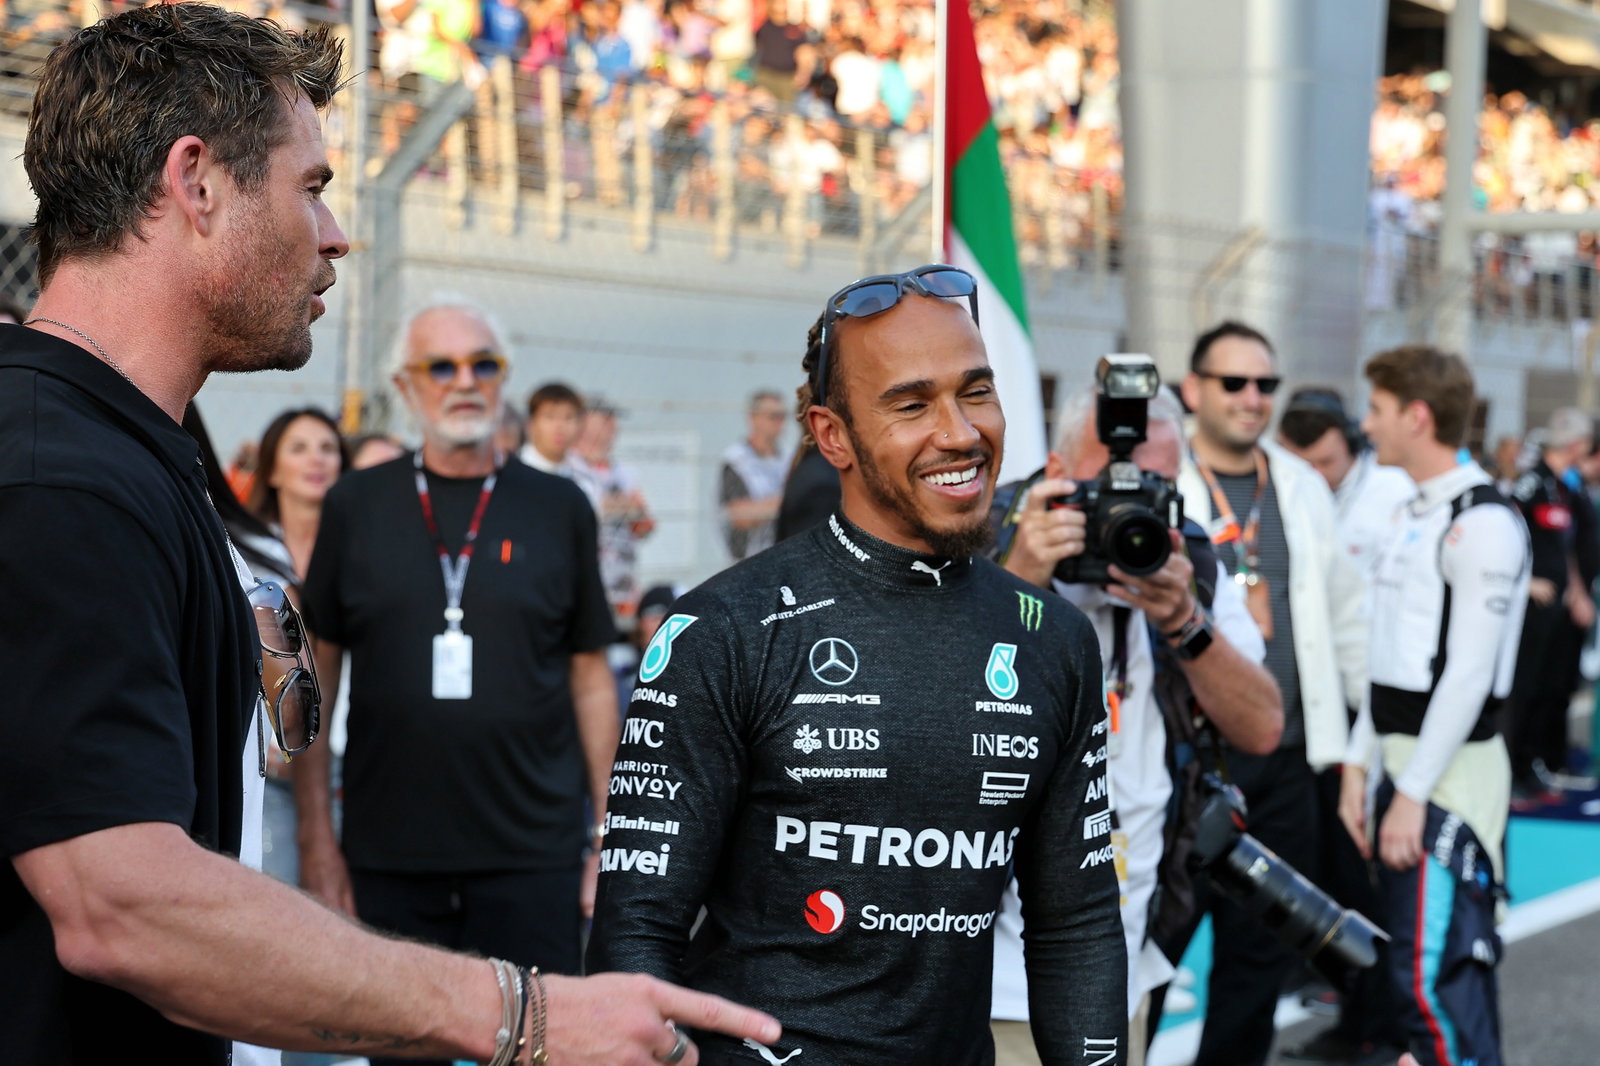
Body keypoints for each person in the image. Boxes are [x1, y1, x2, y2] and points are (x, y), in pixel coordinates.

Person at [0, 10, 782, 1065]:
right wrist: (527, 1015)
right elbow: (119, 902)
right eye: (311, 187)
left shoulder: (135, 444)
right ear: (197, 184)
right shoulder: (61, 474)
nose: (335, 234)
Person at [589, 265, 1127, 1064]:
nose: (959, 432)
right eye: (911, 405)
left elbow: (1076, 923)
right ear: (832, 435)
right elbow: (637, 931)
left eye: (976, 392)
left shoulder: (1052, 637)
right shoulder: (722, 627)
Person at [296, 301, 629, 1063]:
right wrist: (318, 837)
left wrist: (605, 837)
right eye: (440, 367)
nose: (465, 382)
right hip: (390, 853)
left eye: (484, 364)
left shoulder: (559, 507)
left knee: (541, 1048)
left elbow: (589, 673)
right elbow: (318, 674)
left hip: (532, 852)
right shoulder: (356, 505)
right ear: (403, 386)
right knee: (401, 1052)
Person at [988, 382, 1282, 1066]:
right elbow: (934, 721)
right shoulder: (986, 544)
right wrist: (1025, 576)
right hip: (998, 978)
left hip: (1126, 968)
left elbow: (1263, 725)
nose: (1131, 505)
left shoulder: (1190, 561)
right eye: (1110, 483)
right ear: (1058, 477)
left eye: (1152, 482)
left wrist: (1182, 620)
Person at [1169, 321, 1367, 1066]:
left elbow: (1347, 618)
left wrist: (1353, 751)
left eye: (1265, 385)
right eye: (1234, 383)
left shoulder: (1302, 485)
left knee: (1258, 966)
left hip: (1284, 764)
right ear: (1194, 390)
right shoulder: (1165, 481)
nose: (1253, 399)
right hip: (1186, 763)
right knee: (1150, 955)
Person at [1339, 345, 1530, 1066]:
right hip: (1398, 767)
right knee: (1407, 978)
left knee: (1436, 980)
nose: (1367, 424)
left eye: (1379, 410)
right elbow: (1387, 658)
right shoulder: (1409, 509)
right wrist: (1360, 767)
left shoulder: (1483, 521)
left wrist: (1413, 794)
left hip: (1449, 780)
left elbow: (1470, 674)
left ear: (1417, 417)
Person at [1506, 407, 1596, 803]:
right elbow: (1502, 523)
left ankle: (1530, 764)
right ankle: (1509, 770)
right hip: (1530, 609)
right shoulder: (1532, 482)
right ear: (1576, 445)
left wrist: (1575, 589)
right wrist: (1523, 581)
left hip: (1556, 611)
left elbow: (1566, 548)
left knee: (1546, 688)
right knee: (1521, 689)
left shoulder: (1564, 488)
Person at [1277, 387, 1416, 581]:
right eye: (1305, 467)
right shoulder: (1275, 485)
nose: (1316, 476)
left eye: (1325, 462)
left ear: (1351, 442)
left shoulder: (1395, 489)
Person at [567, 399, 655, 627]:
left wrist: (625, 509)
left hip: (622, 584)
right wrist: (618, 507)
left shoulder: (624, 472)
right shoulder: (569, 467)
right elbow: (579, 514)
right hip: (583, 584)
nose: (612, 428)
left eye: (612, 422)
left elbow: (645, 524)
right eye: (605, 420)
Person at [249, 407, 351, 581]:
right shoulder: (244, 552)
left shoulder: (367, 545)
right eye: (298, 448)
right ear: (272, 471)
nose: (317, 459)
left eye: (327, 448)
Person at [719, 389, 790, 561]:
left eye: (783, 416)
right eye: (773, 416)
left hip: (781, 556)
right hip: (747, 561)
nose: (779, 423)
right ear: (753, 418)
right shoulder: (736, 460)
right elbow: (739, 515)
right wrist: (786, 503)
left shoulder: (789, 458)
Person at [519, 380, 584, 474]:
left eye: (568, 418)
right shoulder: (516, 470)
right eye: (550, 417)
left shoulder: (583, 474)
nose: (560, 426)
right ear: (531, 424)